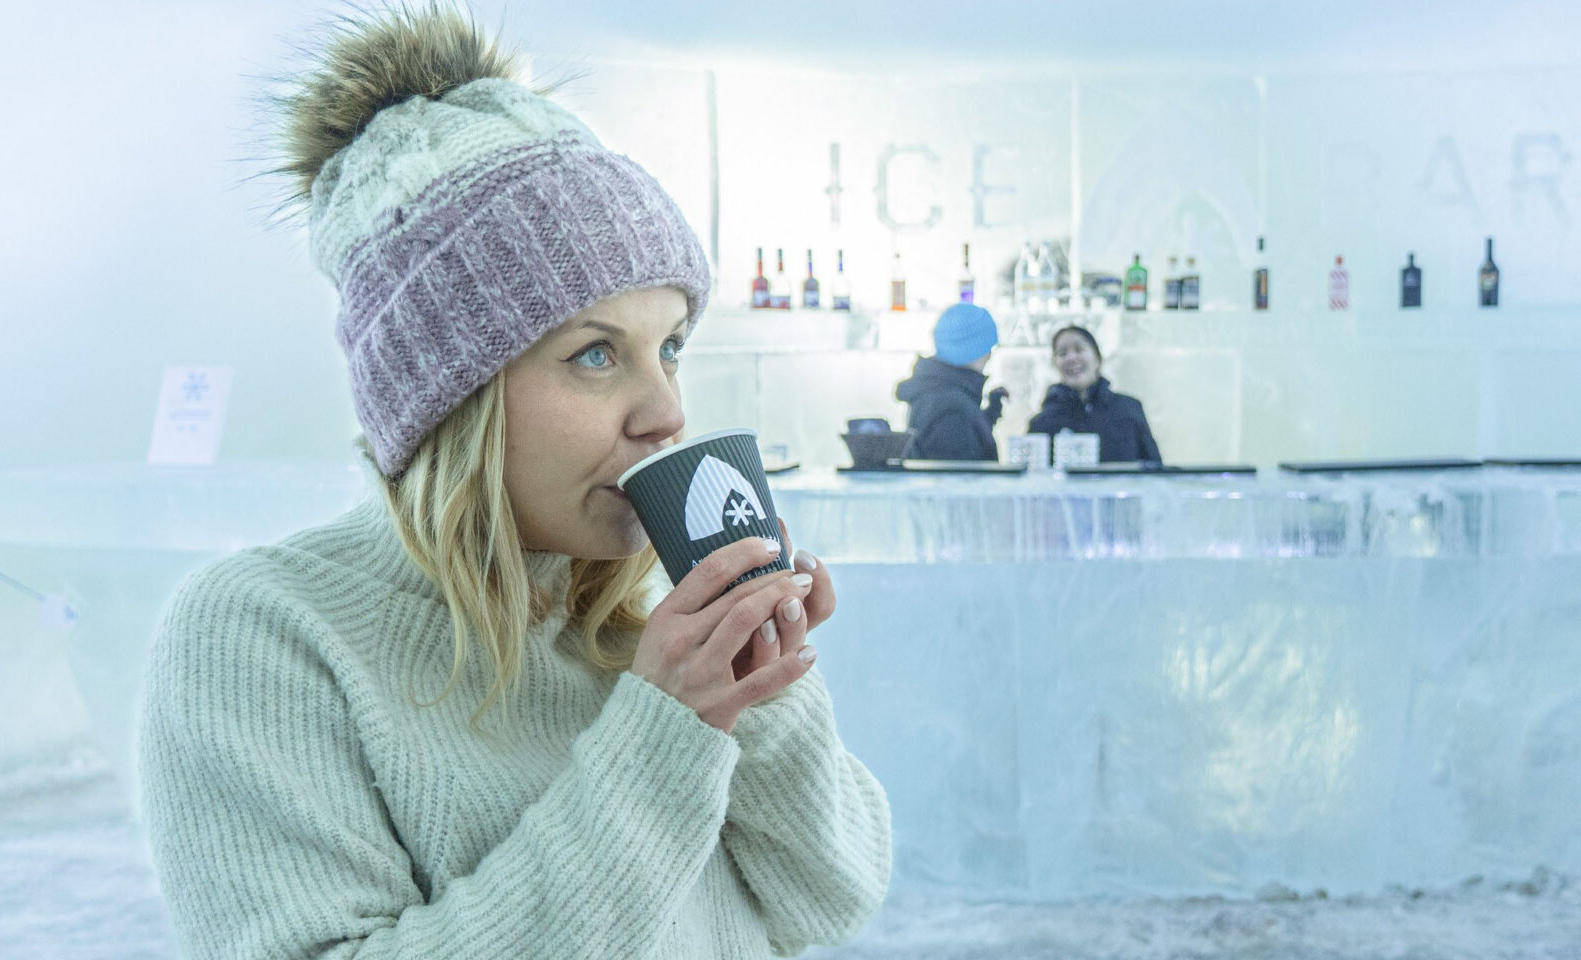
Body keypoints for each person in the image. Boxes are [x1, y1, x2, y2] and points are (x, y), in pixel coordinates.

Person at [137, 7, 890, 959]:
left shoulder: (628, 631)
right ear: (449, 397)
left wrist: (761, 694)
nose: (665, 412)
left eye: (670, 348)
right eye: (593, 355)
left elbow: (830, 897)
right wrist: (664, 735)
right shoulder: (264, 636)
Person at [1028, 325, 1162, 464]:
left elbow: (1155, 470)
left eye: (1079, 349)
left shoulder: (1129, 409)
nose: (1071, 358)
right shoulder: (1042, 424)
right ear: (1055, 364)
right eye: (1062, 353)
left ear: (1097, 358)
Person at [894, 302, 1010, 461]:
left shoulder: (937, 390)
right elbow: (957, 476)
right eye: (989, 347)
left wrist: (990, 413)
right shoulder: (952, 408)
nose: (990, 355)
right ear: (976, 349)